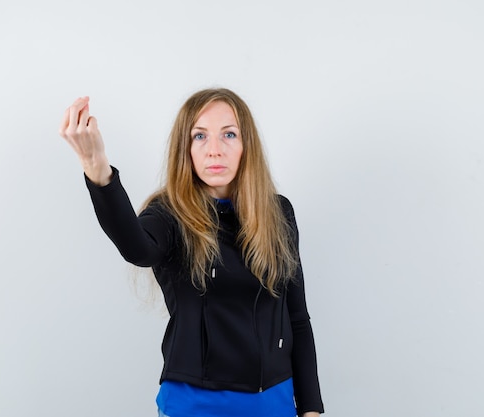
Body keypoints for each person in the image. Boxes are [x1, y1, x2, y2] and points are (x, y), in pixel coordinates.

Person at [59, 88, 324, 417]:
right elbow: (137, 248)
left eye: (229, 134)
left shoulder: (278, 213)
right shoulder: (169, 214)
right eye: (200, 136)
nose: (215, 150)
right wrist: (98, 171)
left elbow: (297, 318)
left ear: (246, 145)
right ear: (185, 148)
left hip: (274, 402)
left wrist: (311, 409)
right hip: (195, 406)